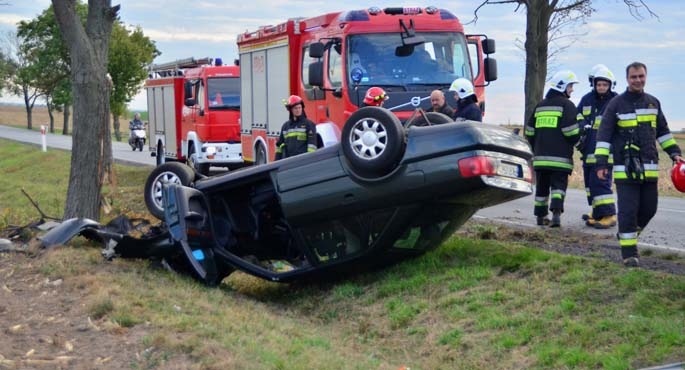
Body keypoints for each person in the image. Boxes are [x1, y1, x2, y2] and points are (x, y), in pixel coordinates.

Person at [594, 62, 683, 267]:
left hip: (649, 170)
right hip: (625, 171)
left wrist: (675, 154)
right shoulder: (616, 104)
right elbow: (604, 135)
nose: (638, 80)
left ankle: (628, 235)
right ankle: (629, 254)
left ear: (646, 77)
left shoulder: (653, 103)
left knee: (649, 209)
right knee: (628, 212)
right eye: (634, 77)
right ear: (627, 79)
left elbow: (663, 132)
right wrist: (601, 163)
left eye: (641, 76)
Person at [524, 70, 580, 227]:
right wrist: (580, 133)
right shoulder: (567, 106)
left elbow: (529, 131)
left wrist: (538, 146)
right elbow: (571, 132)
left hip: (540, 159)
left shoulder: (540, 106)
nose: (572, 90)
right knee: (558, 188)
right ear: (562, 86)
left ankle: (540, 218)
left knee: (541, 190)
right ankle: (556, 216)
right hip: (560, 160)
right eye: (570, 86)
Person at [576, 64, 618, 229]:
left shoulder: (615, 101)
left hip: (605, 152)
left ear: (610, 85)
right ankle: (598, 212)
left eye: (605, 85)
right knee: (590, 184)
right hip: (588, 150)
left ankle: (609, 215)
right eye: (599, 84)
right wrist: (582, 124)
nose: (601, 87)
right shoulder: (586, 99)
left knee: (601, 182)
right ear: (594, 84)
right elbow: (577, 114)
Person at [275, 95, 317, 160]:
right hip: (288, 161)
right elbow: (279, 146)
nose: (298, 110)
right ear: (291, 110)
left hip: (302, 161)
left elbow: (312, 146)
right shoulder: (285, 126)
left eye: (299, 108)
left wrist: (310, 161)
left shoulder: (309, 124)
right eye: (295, 108)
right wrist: (276, 162)